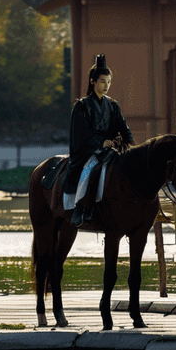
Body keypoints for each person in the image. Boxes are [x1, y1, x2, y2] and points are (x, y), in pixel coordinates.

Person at [66, 54, 134, 226]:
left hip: (110, 150)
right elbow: (80, 134)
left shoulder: (112, 105)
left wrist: (129, 142)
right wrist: (100, 142)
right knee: (91, 167)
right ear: (93, 81)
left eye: (109, 82)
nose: (106, 86)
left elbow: (123, 127)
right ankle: (80, 207)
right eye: (103, 81)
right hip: (87, 150)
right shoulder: (82, 106)